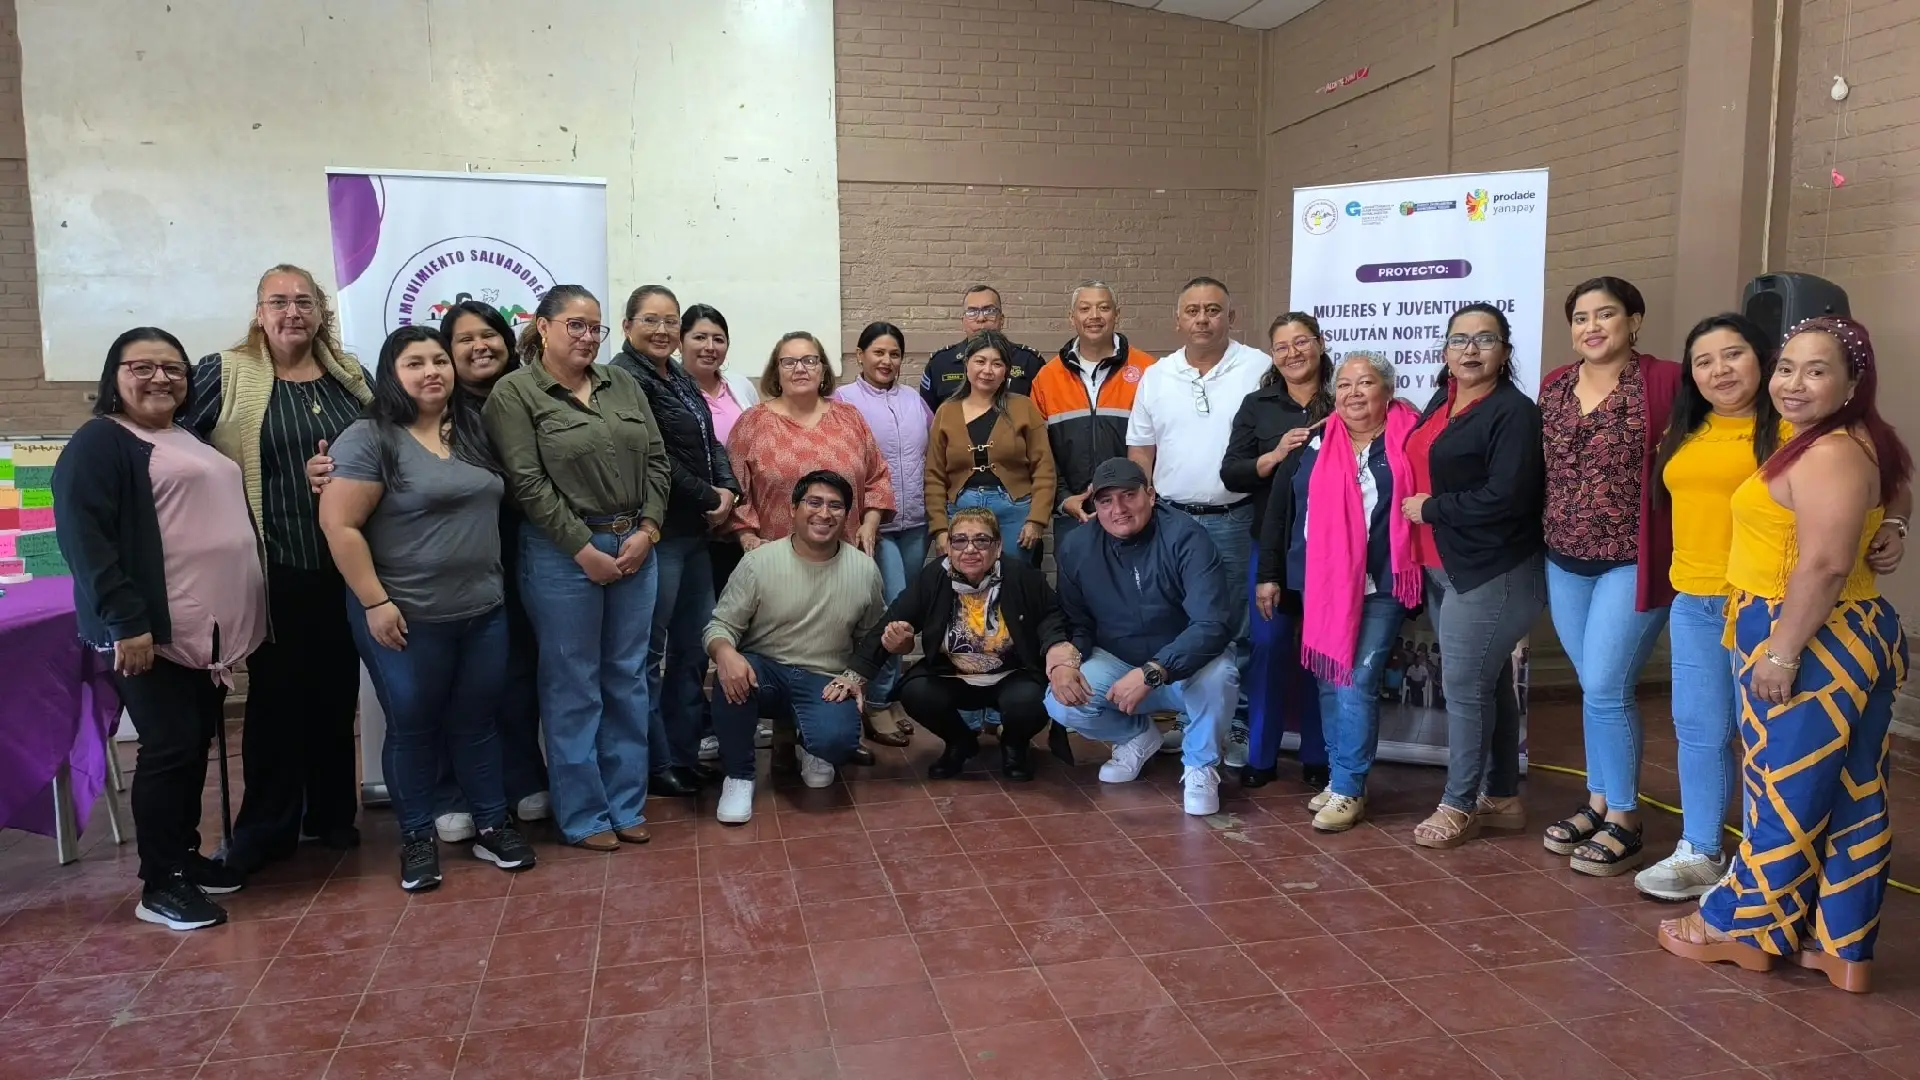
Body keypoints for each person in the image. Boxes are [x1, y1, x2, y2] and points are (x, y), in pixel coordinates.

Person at [1657, 315, 1911, 995]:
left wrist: (1783, 652)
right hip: (1845, 631)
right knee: (1853, 794)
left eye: (1817, 370)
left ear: (1853, 381)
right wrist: (1896, 522)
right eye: (1787, 367)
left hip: (1806, 633)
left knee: (1783, 795)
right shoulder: (1851, 440)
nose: (1794, 384)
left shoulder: (1828, 452)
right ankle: (1839, 944)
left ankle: (1745, 929)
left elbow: (1824, 563)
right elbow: (1892, 495)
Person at [54, 328, 265, 930]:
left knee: (190, 743)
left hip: (202, 634)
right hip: (149, 633)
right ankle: (160, 883)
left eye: (173, 368)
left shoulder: (185, 435)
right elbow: (86, 541)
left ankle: (183, 858)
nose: (160, 379)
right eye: (141, 367)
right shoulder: (100, 442)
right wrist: (127, 621)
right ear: (113, 376)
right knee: (169, 747)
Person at [319, 326, 538, 891]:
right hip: (404, 616)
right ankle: (416, 838)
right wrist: (375, 602)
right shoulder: (368, 438)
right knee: (413, 727)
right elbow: (339, 526)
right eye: (414, 363)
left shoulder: (472, 429)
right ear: (393, 373)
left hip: (483, 610)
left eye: (439, 360)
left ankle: (492, 824)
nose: (431, 371)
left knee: (477, 722)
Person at [187, 264, 371, 872]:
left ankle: (330, 814)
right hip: (275, 561)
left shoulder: (352, 377)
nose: (292, 312)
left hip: (347, 562)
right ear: (258, 313)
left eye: (304, 301)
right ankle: (266, 830)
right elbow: (179, 451)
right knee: (274, 700)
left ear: (321, 310)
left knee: (336, 689)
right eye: (278, 302)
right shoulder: (224, 372)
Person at [482, 285, 670, 852]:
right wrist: (581, 549)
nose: (588, 337)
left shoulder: (624, 383)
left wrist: (649, 529)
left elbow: (658, 460)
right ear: (543, 327)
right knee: (574, 685)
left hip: (636, 542)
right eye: (575, 326)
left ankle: (625, 804)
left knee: (628, 679)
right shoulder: (514, 393)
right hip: (562, 553)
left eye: (595, 328)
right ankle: (585, 814)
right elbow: (526, 483)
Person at [1536, 277, 1682, 877]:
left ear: (1635, 320)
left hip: (1632, 558)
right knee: (1593, 686)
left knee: (1605, 684)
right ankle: (1598, 801)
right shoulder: (1554, 386)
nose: (1591, 327)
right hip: (1563, 558)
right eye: (1580, 317)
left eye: (1606, 314)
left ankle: (1625, 816)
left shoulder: (1666, 381)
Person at [1400, 303, 1546, 849]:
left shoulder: (1513, 412)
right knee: (1489, 683)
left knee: (1463, 688)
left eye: (1485, 339)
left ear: (1504, 352)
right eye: (1460, 340)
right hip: (1441, 566)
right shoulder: (1445, 398)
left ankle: (1459, 804)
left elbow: (1509, 496)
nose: (1471, 349)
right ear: (1444, 351)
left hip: (1491, 568)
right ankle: (1502, 794)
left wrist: (1432, 509)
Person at [1257, 351, 1421, 832]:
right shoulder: (1314, 441)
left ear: (1387, 391)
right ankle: (1338, 774)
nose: (1353, 393)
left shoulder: (1409, 438)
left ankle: (1350, 786)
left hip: (1382, 581)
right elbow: (1281, 511)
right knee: (1330, 678)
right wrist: (1270, 570)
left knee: (1355, 679)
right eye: (1345, 384)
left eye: (1365, 383)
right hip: (1324, 583)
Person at [1126, 278, 1269, 769]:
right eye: (1193, 311)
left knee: (1232, 623)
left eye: (1213, 310)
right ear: (1178, 320)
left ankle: (1234, 722)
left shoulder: (1259, 368)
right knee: (1180, 622)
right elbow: (1141, 447)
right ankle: (1192, 720)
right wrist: (1142, 509)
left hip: (1235, 517)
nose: (1203, 318)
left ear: (1231, 317)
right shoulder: (1157, 375)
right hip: (1171, 519)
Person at [1045, 458, 1237, 816]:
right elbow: (1077, 621)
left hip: (1184, 664)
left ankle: (1200, 765)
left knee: (1221, 676)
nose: (1118, 510)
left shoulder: (1188, 537)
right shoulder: (1077, 547)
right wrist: (1066, 658)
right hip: (1118, 660)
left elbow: (1212, 624)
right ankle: (1136, 736)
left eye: (1128, 496)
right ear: (1094, 506)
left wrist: (1154, 670)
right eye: (1106, 501)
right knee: (1060, 701)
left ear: (1150, 494)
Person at [610, 285, 741, 797]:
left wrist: (727, 488)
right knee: (648, 655)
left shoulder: (680, 376)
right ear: (627, 327)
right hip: (657, 531)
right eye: (650, 321)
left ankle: (685, 754)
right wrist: (709, 495)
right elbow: (654, 455)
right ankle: (654, 761)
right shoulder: (623, 378)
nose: (662, 331)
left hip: (695, 536)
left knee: (694, 649)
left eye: (669, 321)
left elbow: (709, 440)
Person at [429, 300, 549, 841]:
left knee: (519, 671)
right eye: (464, 339)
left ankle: (524, 777)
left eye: (490, 335)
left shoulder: (532, 393)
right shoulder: (429, 407)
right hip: (454, 565)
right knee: (458, 683)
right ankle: (452, 790)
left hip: (525, 552)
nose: (481, 346)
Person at [704, 471, 887, 822]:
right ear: (793, 510)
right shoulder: (759, 563)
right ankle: (739, 776)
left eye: (836, 506)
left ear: (847, 515)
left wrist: (856, 678)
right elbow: (719, 625)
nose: (824, 513)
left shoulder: (864, 571)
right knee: (732, 678)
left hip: (825, 678)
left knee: (836, 743)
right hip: (765, 673)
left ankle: (813, 743)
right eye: (814, 502)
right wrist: (725, 653)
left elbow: (870, 640)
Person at [855, 508, 1074, 782]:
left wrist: (1057, 648)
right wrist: (855, 676)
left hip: (1012, 675)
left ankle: (1015, 746)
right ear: (948, 546)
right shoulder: (934, 577)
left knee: (1031, 702)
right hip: (953, 674)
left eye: (981, 540)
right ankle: (961, 742)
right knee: (915, 691)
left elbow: (1051, 615)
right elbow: (890, 622)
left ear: (998, 545)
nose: (970, 549)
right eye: (959, 541)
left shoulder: (1021, 575)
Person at [1234, 311, 1335, 789]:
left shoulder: (1343, 399)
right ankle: (1261, 756)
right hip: (1270, 546)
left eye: (1301, 342)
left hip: (1330, 550)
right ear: (1272, 355)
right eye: (1282, 346)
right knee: (1269, 647)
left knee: (1320, 650)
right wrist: (1272, 456)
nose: (1293, 353)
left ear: (1319, 344)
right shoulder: (1258, 405)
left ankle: (1318, 754)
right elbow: (1230, 472)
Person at [835, 321, 933, 748]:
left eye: (894, 354)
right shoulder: (842, 400)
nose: (886, 361)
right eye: (878, 352)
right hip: (873, 526)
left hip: (916, 523)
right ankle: (875, 701)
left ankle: (889, 696)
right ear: (860, 355)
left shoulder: (915, 401)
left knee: (906, 611)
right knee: (890, 609)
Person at [727, 332, 895, 555]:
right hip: (775, 559)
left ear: (823, 370)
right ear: (776, 372)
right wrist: (747, 536)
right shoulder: (752, 423)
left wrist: (870, 524)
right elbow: (736, 490)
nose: (800, 368)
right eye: (789, 362)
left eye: (809, 360)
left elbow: (878, 478)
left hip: (845, 556)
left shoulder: (850, 417)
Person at [1028, 281, 1157, 548]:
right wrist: (1063, 500)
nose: (1094, 316)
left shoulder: (1150, 370)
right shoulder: (1048, 377)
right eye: (1085, 309)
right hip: (1076, 515)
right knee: (1076, 589)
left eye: (1104, 308)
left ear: (1117, 314)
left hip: (1135, 512)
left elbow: (1165, 441)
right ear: (1072, 317)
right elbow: (1039, 452)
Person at [926, 329, 1056, 566]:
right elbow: (934, 475)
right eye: (980, 361)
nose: (987, 370)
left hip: (1015, 511)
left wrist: (1036, 520)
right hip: (961, 510)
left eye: (997, 363)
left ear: (1006, 370)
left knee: (1013, 583)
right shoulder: (946, 411)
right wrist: (940, 529)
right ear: (967, 364)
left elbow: (1044, 469)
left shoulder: (1023, 407)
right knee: (965, 583)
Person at [679, 303, 757, 593]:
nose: (709, 347)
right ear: (680, 340)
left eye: (718, 339)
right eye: (699, 337)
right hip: (694, 519)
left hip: (739, 522)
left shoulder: (740, 386)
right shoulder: (668, 390)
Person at [919, 284, 1042, 411]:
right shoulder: (940, 363)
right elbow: (928, 420)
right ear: (963, 321)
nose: (981, 318)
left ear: (1002, 319)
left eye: (989, 311)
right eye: (972, 312)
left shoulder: (1029, 361)